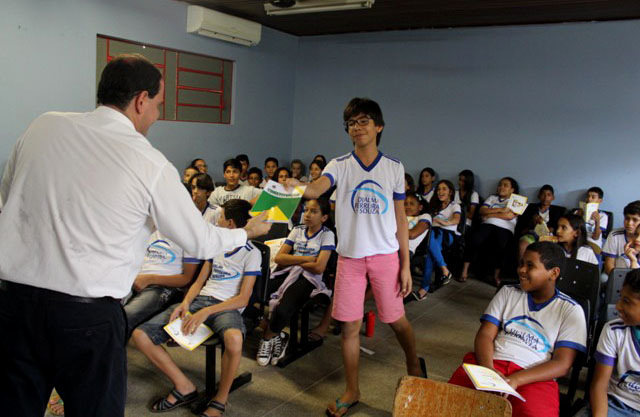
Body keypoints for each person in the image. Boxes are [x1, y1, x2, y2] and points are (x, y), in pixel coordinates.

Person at [0, 54, 269, 417]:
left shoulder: (43, 126)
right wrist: (246, 233)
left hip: (14, 306)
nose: (157, 115)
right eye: (158, 105)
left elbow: (6, 203)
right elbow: (200, 241)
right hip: (85, 319)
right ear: (141, 100)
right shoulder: (148, 161)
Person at [287, 97, 424, 417]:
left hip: (385, 257)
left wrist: (405, 264)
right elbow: (315, 189)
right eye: (351, 123)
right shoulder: (339, 165)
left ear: (379, 127)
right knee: (348, 328)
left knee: (396, 320)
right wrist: (294, 186)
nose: (357, 127)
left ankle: (413, 363)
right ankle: (352, 389)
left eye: (364, 121)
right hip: (349, 259)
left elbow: (401, 219)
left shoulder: (393, 167)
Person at [132, 199, 261, 417]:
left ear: (230, 223)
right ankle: (184, 386)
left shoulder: (252, 252)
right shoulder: (217, 245)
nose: (216, 220)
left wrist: (206, 312)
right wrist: (185, 303)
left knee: (235, 339)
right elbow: (199, 282)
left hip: (226, 307)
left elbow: (243, 299)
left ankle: (220, 400)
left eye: (220, 217)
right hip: (201, 301)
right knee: (140, 335)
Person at [449, 242, 587, 417]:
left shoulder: (570, 310)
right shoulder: (508, 292)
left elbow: (562, 364)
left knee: (533, 413)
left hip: (535, 376)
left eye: (530, 266)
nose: (521, 270)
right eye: (521, 263)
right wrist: (489, 370)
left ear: (553, 273)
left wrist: (516, 379)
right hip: (492, 364)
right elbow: (485, 335)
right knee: (452, 400)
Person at [257, 198, 335, 366]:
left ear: (324, 217)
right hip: (287, 272)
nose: (307, 214)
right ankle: (278, 334)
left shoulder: (327, 235)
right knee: (256, 295)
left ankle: (267, 338)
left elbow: (319, 267)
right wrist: (306, 258)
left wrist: (292, 259)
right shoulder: (298, 230)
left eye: (313, 212)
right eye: (306, 210)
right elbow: (279, 258)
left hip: (309, 278)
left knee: (284, 309)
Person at [580, 269, 640, 417]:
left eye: (626, 301)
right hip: (613, 403)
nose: (618, 306)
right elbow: (599, 386)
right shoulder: (614, 330)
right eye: (620, 298)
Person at [460, 177, 520, 285]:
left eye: (505, 185)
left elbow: (509, 215)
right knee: (474, 240)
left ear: (512, 189)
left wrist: (490, 214)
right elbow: (482, 210)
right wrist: (501, 210)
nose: (501, 187)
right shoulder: (492, 198)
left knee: (502, 245)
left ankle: (497, 276)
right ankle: (464, 270)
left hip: (505, 228)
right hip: (487, 225)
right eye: (500, 184)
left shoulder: (517, 201)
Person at [414, 180, 460, 299]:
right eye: (439, 189)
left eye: (444, 189)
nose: (440, 192)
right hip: (432, 234)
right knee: (430, 251)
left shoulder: (454, 205)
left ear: (450, 191)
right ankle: (443, 271)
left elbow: (456, 219)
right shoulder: (433, 205)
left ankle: (425, 287)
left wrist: (443, 222)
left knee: (430, 243)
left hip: (447, 234)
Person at [516, 184, 565, 261]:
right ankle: (522, 268)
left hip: (548, 236)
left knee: (546, 247)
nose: (545, 198)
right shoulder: (530, 208)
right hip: (532, 234)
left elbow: (558, 227)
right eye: (543, 194)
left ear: (553, 198)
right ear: (539, 196)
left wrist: (550, 229)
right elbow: (522, 226)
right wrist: (533, 223)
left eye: (548, 195)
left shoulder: (558, 211)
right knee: (523, 244)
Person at [603, 201, 640, 275]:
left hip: (636, 280)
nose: (629, 223)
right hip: (617, 275)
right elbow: (609, 265)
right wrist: (618, 281)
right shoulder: (614, 235)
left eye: (635, 220)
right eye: (627, 218)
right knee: (604, 278)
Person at [405, 192, 431, 258]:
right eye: (405, 204)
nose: (408, 207)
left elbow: (411, 235)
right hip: (392, 247)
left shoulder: (424, 216)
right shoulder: (401, 217)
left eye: (412, 204)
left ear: (420, 207)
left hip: (406, 250)